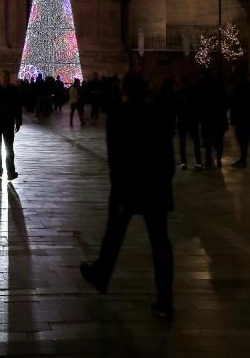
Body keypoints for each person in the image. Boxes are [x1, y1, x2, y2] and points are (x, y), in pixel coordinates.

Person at [80, 72, 175, 319]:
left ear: (124, 90)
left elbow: (117, 159)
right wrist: (166, 186)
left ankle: (101, 275)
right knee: (160, 246)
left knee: (114, 235)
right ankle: (165, 301)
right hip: (155, 190)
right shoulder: (158, 114)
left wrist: (121, 194)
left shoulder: (118, 116)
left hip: (129, 189)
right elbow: (168, 156)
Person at [0, 70, 23, 180]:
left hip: (8, 123)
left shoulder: (13, 90)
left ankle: (10, 171)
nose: (5, 79)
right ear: (0, 78)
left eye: (7, 77)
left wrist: (18, 122)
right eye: (4, 77)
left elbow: (17, 107)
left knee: (9, 148)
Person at [230, 73, 250, 168]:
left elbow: (233, 104)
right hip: (247, 116)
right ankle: (243, 159)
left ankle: (243, 160)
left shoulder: (238, 89)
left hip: (240, 117)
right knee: (243, 140)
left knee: (242, 140)